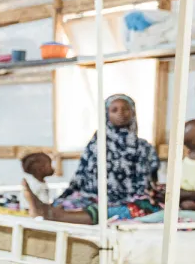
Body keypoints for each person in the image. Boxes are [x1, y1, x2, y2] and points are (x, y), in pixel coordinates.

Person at [24, 94, 161, 224]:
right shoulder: (96, 144)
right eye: (114, 110)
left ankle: (54, 215)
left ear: (133, 113)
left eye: (126, 109)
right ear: (106, 114)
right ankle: (48, 210)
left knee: (126, 210)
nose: (121, 113)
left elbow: (152, 181)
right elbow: (81, 176)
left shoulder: (144, 147)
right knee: (70, 203)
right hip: (93, 195)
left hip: (132, 198)